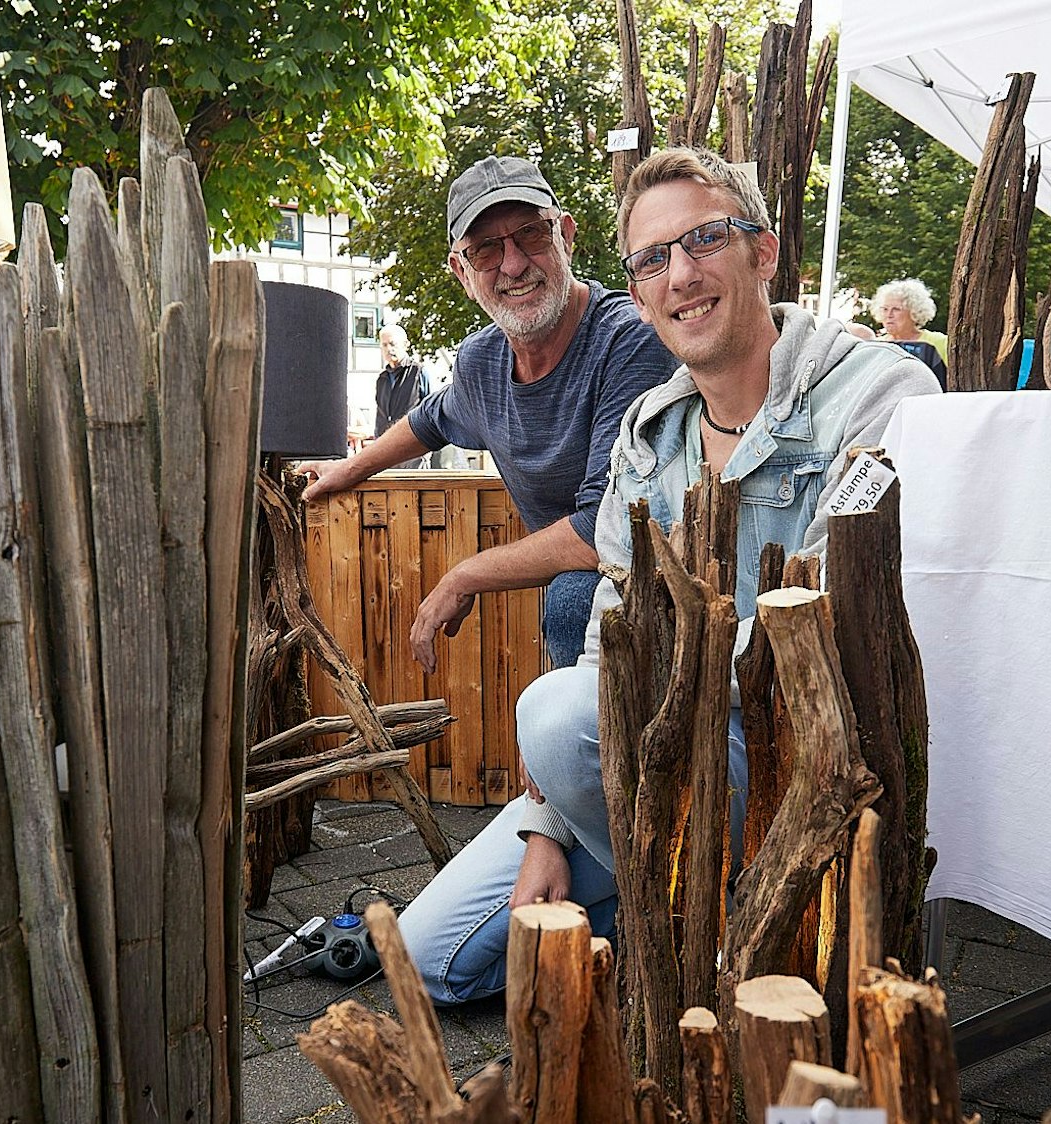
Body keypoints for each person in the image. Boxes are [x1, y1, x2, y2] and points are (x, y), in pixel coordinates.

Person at [397, 147, 942, 1005]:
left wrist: (639, 702)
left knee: (555, 713)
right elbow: (607, 630)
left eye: (705, 240)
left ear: (763, 252)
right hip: (655, 761)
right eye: (653, 259)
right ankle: (673, 907)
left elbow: (841, 635)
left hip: (803, 771)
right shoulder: (651, 431)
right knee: (428, 957)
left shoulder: (881, 394)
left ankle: (720, 927)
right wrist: (549, 823)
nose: (681, 274)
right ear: (640, 291)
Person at [299, 156, 678, 672]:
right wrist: (346, 470)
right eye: (486, 250)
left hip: (671, 586)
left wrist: (465, 575)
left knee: (573, 598)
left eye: (531, 235)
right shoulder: (481, 362)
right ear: (462, 272)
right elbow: (430, 421)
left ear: (565, 236)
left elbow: (603, 530)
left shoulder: (629, 339)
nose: (514, 265)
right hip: (593, 596)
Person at [872, 278, 948, 387]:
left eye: (896, 309)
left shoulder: (939, 342)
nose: (889, 315)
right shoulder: (875, 345)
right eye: (885, 309)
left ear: (914, 311)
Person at [372, 324, 430, 469]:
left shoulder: (418, 372)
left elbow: (430, 410)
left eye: (392, 344)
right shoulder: (382, 379)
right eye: (384, 345)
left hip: (413, 448)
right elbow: (380, 414)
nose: (388, 349)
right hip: (386, 449)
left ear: (405, 344)